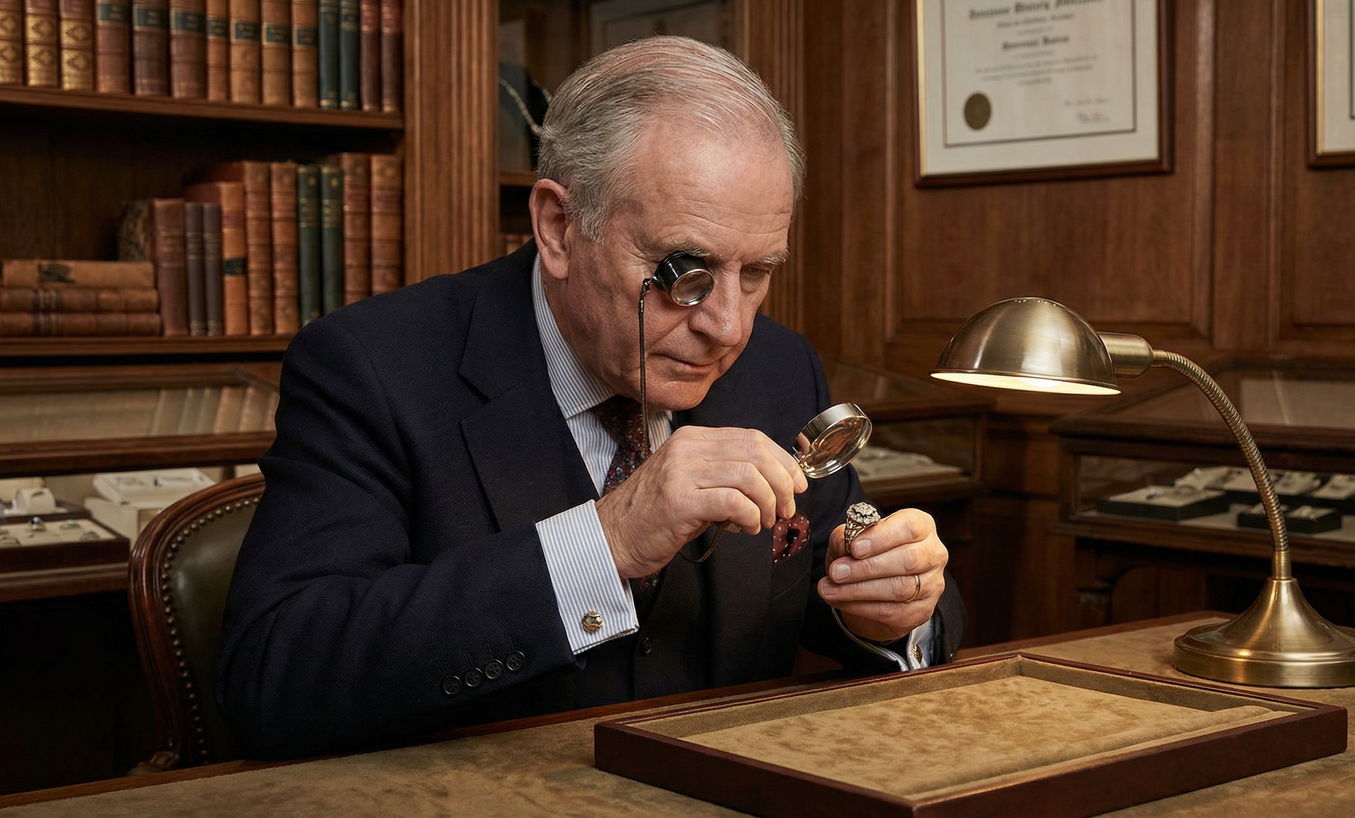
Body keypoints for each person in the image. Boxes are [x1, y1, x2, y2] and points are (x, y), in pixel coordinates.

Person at [217, 35, 964, 759]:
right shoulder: (371, 366)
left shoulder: (778, 369)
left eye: (759, 273)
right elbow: (274, 679)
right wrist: (603, 544)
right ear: (559, 227)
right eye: (683, 272)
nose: (728, 327)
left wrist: (891, 608)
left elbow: (849, 597)